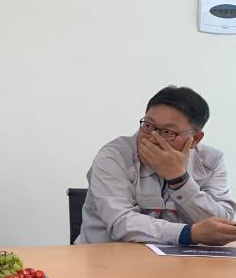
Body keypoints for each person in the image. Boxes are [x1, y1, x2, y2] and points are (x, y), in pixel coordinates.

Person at [77, 85, 236, 245]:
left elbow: (223, 225)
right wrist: (189, 234)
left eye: (167, 132)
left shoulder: (211, 161)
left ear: (195, 139)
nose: (152, 138)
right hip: (107, 256)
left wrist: (179, 180)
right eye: (148, 126)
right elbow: (120, 222)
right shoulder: (114, 156)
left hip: (180, 259)